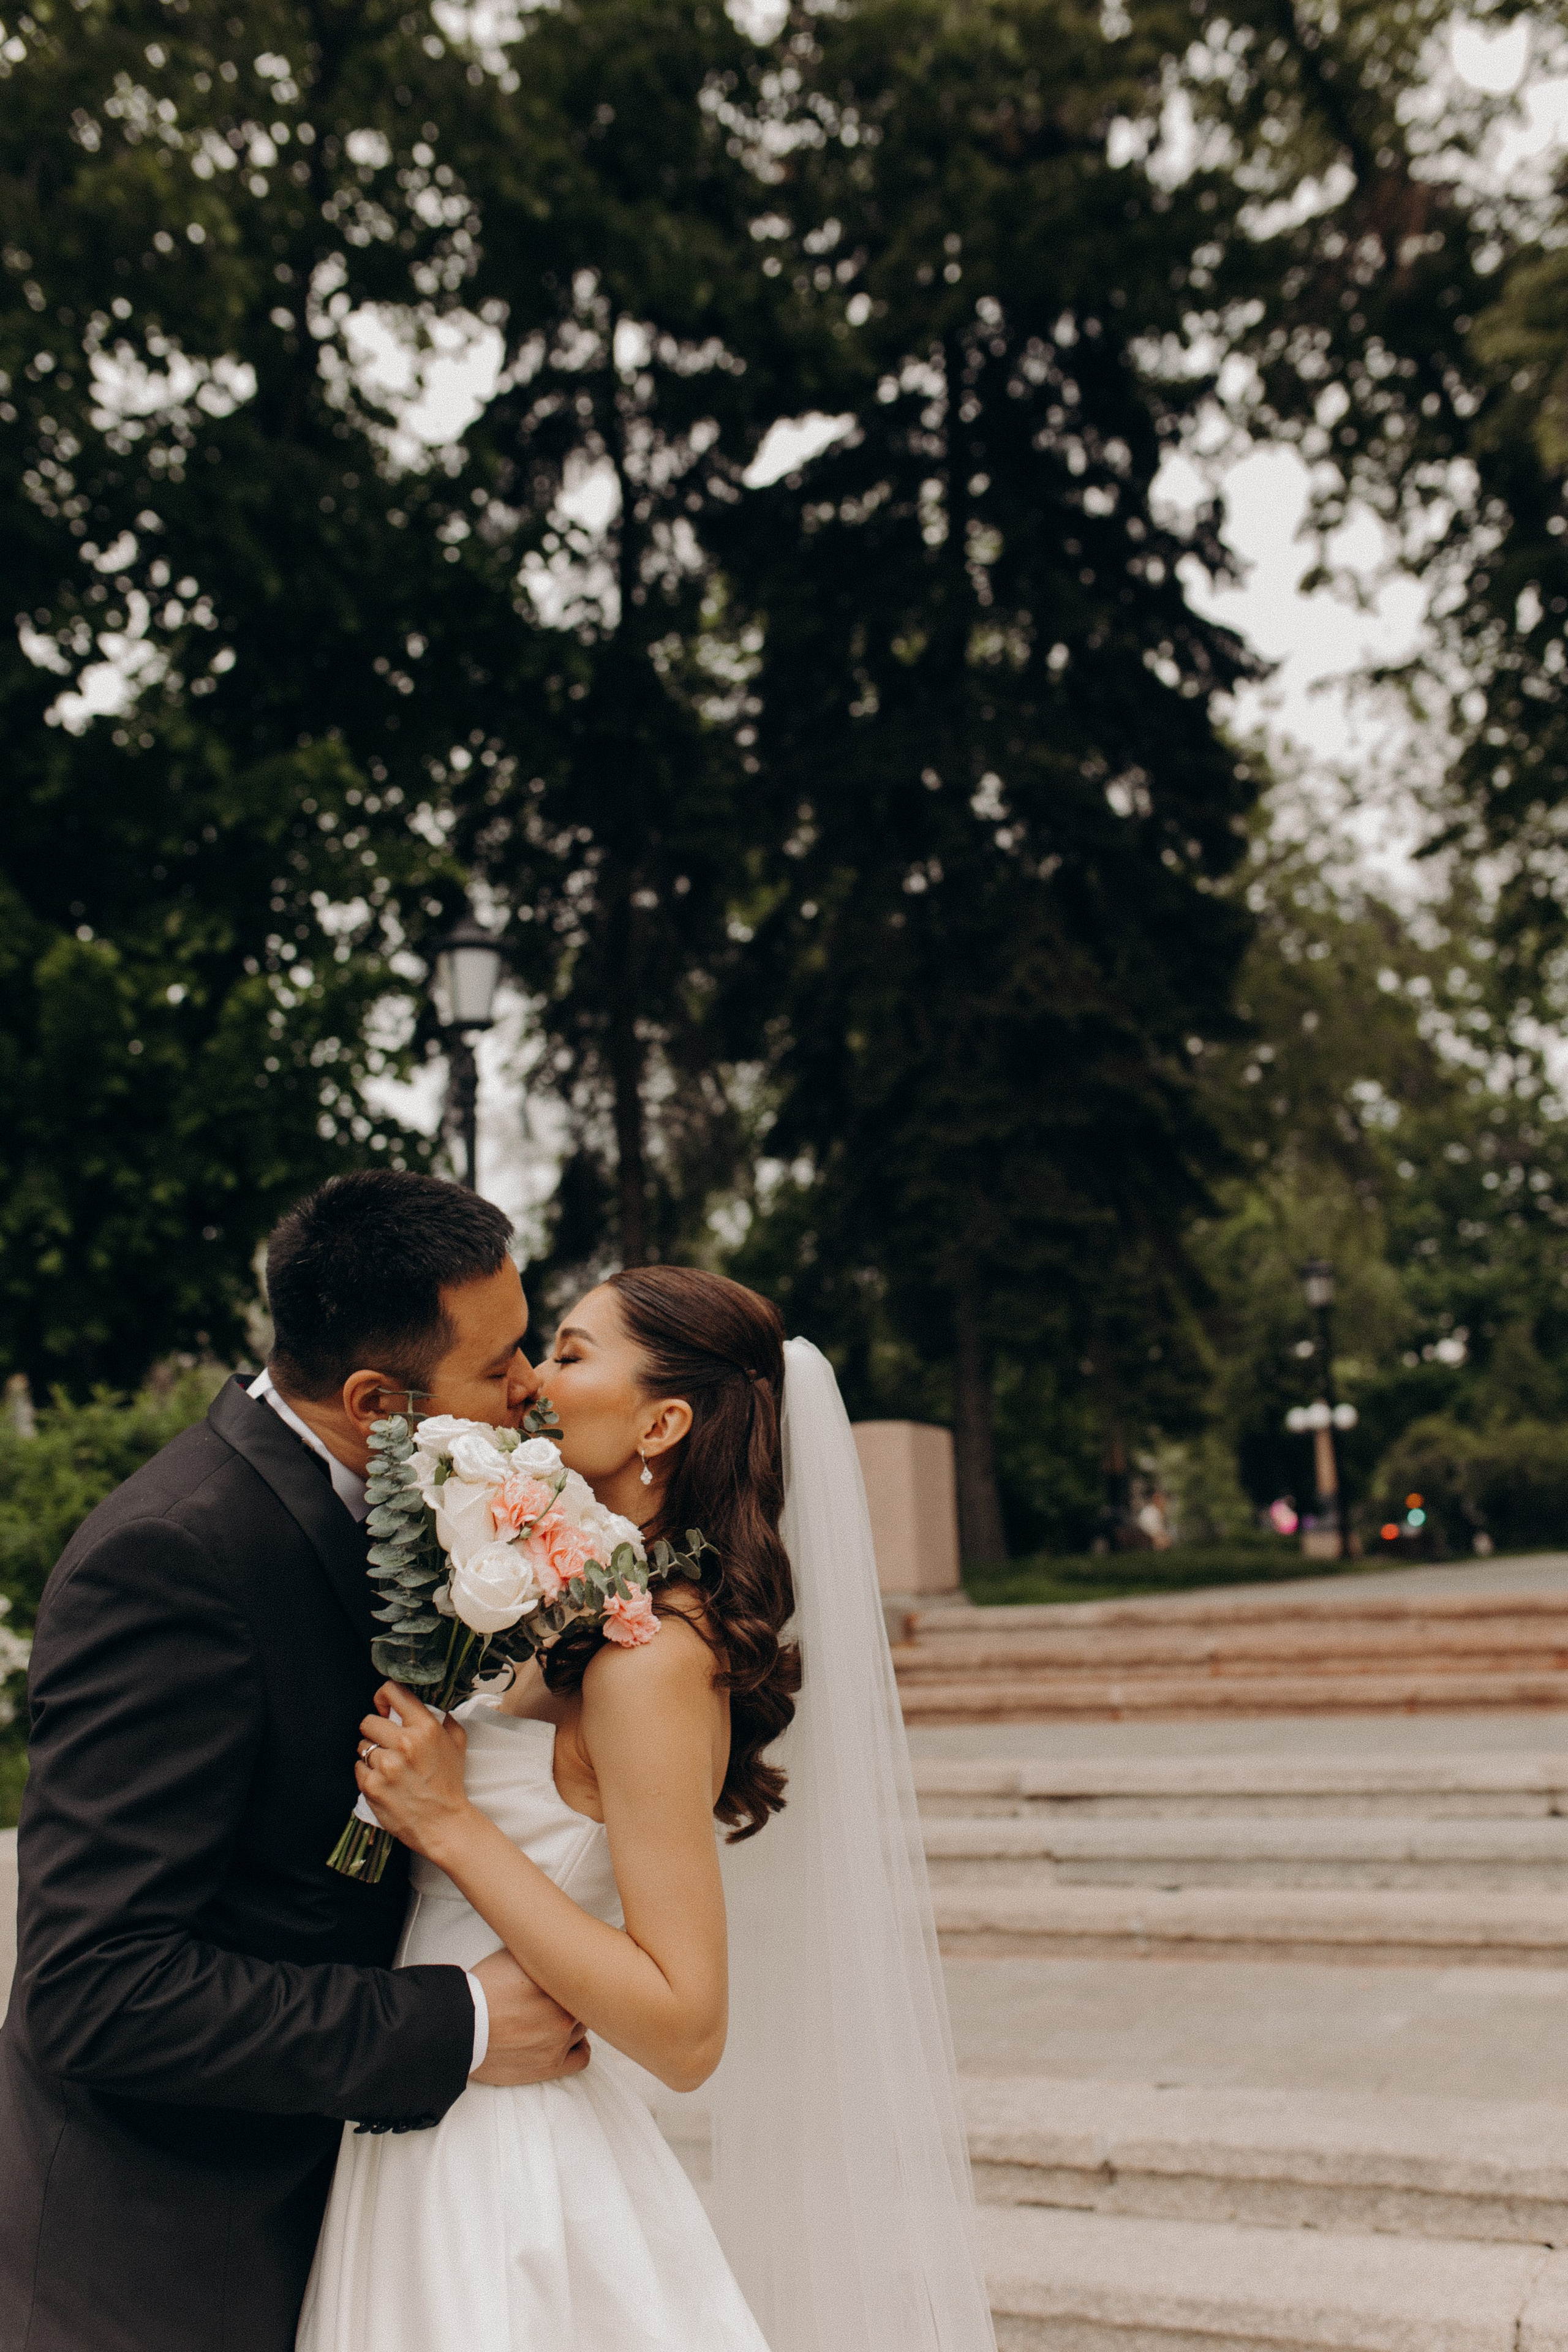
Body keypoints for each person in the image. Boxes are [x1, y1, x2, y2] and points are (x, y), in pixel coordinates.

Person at [297, 1266, 997, 2352]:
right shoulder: (568, 1616)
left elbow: (685, 2026)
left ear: (661, 1423)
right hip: (429, 2104)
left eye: (570, 1354)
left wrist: (452, 1826)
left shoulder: (654, 1658)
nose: (532, 1380)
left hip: (505, 2161)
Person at [0, 1172, 591, 2352]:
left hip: (350, 2222)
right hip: (165, 2264)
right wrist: (457, 2022)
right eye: (499, 1366)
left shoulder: (406, 1502)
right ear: (376, 1401)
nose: (532, 1388)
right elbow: (92, 1991)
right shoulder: (174, 1559)